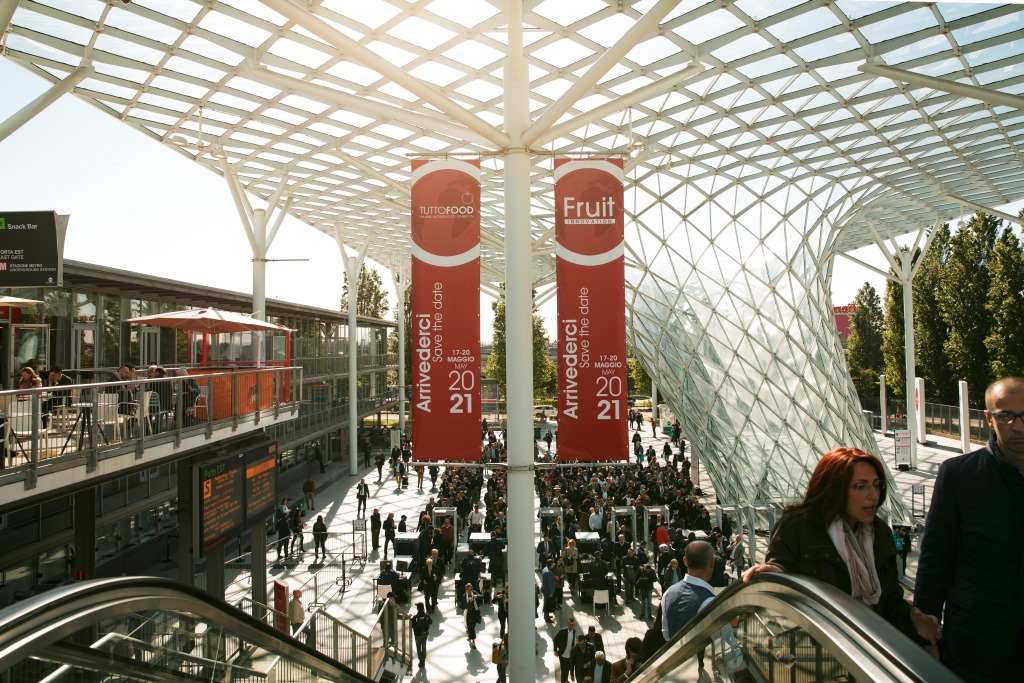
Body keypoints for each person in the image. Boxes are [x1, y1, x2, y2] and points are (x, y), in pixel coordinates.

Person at [743, 447, 940, 648]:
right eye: (860, 486)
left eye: (876, 484)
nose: (873, 494)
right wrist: (776, 571)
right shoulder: (798, 526)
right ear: (834, 488)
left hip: (872, 649)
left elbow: (890, 601)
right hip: (820, 653)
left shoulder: (880, 532)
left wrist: (912, 621)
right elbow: (783, 566)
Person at [914, 376, 1024, 682]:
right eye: (1006, 416)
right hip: (976, 642)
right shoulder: (958, 475)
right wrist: (926, 633)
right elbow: (936, 556)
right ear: (989, 418)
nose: (1018, 426)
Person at [553, 617, 580, 683]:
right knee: (563, 670)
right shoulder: (562, 631)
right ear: (567, 624)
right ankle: (563, 681)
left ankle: (565, 680)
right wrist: (555, 650)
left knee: (567, 669)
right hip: (562, 653)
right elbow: (555, 639)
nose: (571, 626)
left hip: (570, 654)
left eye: (573, 625)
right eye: (570, 624)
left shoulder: (574, 632)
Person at [410, 602, 432, 668]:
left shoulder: (415, 617)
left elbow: (412, 625)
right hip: (425, 633)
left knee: (418, 647)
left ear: (417, 609)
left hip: (418, 635)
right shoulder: (426, 615)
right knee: (424, 646)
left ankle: (421, 660)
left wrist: (411, 618)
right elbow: (430, 622)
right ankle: (424, 659)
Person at [463, 583, 482, 647]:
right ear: (466, 589)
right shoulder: (464, 596)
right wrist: (470, 602)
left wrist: (477, 596)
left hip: (475, 611)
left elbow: (482, 596)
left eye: (471, 589)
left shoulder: (474, 592)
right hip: (469, 612)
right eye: (469, 589)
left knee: (473, 625)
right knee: (470, 626)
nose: (470, 590)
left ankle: (470, 635)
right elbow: (465, 605)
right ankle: (473, 639)